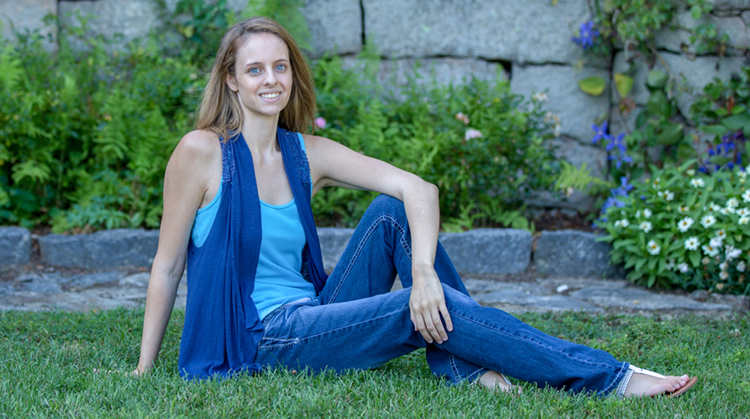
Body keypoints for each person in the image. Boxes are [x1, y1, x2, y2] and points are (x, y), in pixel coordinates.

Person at [134, 16, 697, 398]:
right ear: (231, 81)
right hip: (262, 337)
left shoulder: (306, 153)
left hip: (313, 310)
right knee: (417, 305)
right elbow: (166, 265)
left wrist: (423, 273)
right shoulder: (201, 153)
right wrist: (144, 368)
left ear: (292, 74)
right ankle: (613, 378)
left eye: (280, 67)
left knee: (392, 212)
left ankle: (457, 360)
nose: (270, 80)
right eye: (254, 70)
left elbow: (418, 189)